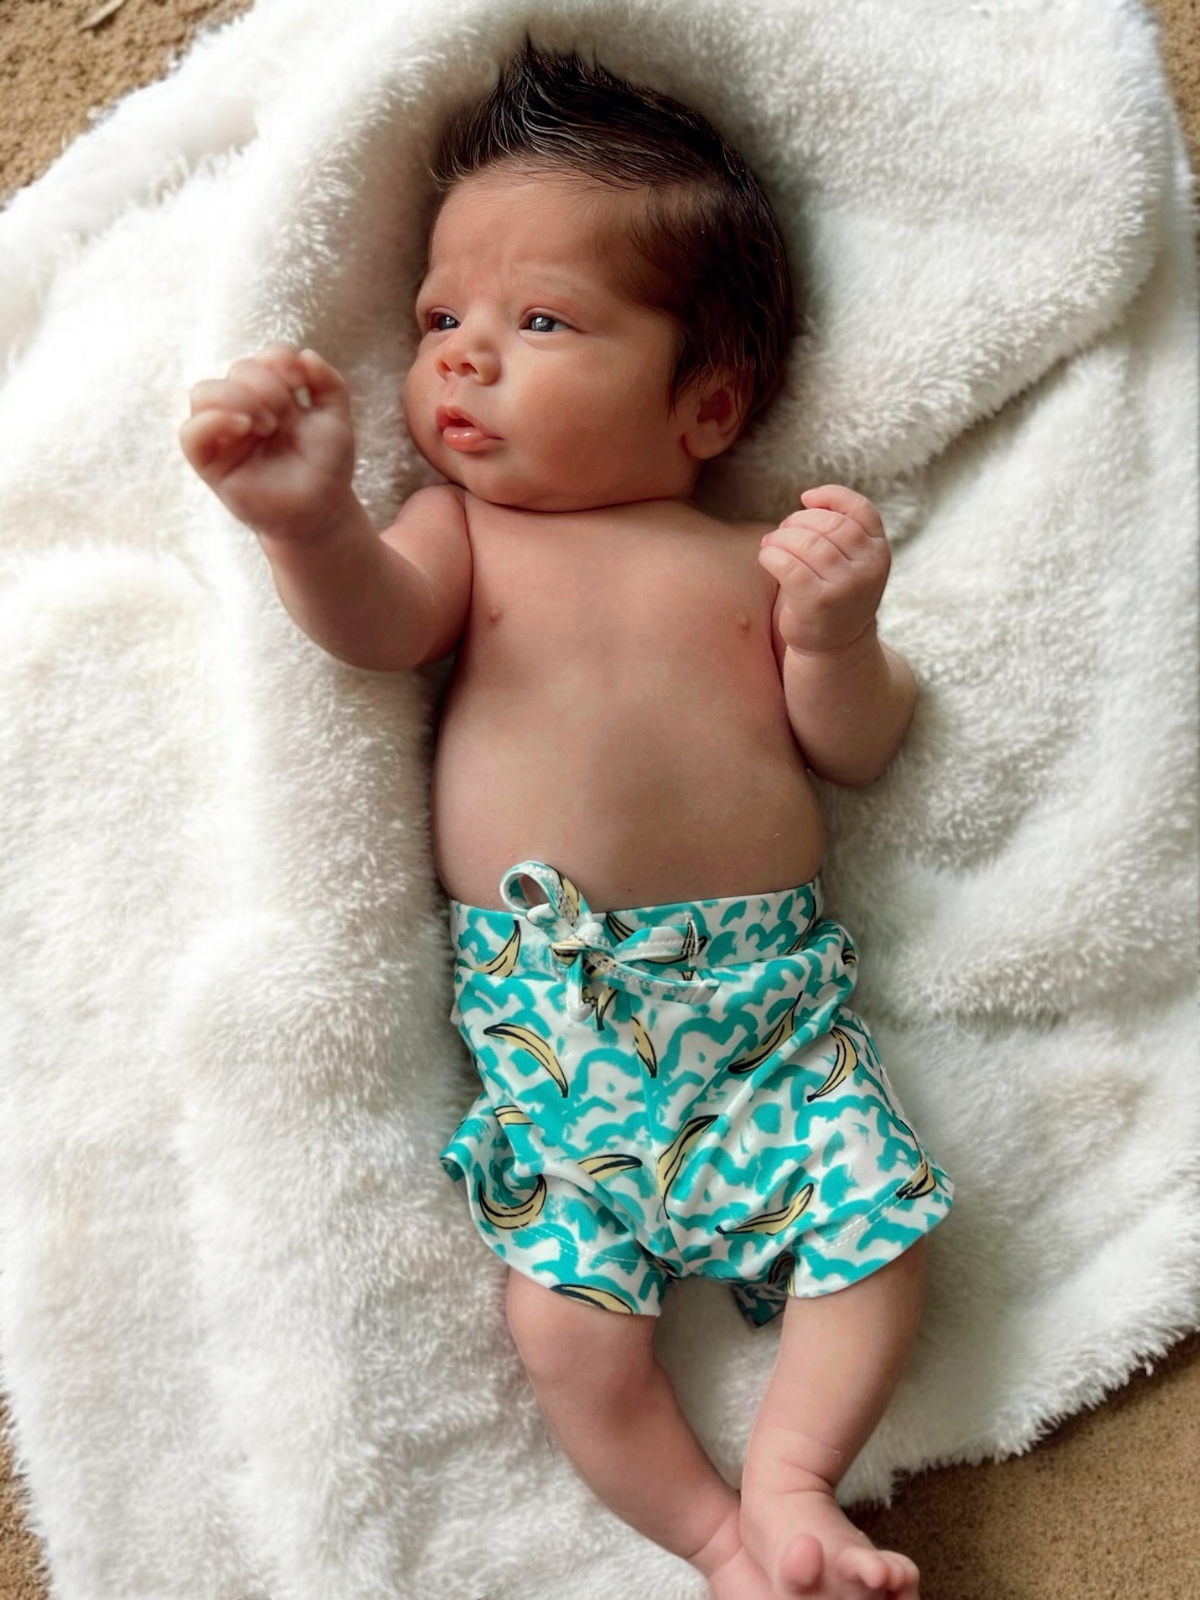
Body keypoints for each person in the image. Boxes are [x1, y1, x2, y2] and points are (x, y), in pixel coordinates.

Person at [179, 40, 953, 1600]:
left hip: (766, 1015)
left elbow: (858, 749)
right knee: (564, 1327)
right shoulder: (460, 533)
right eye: (438, 320)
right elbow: (375, 626)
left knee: (883, 1235)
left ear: (708, 402)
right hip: (556, 1019)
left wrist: (836, 634)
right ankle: (716, 1539)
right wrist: (309, 519)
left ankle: (794, 1480)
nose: (464, 358)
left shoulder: (746, 562)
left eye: (538, 322)